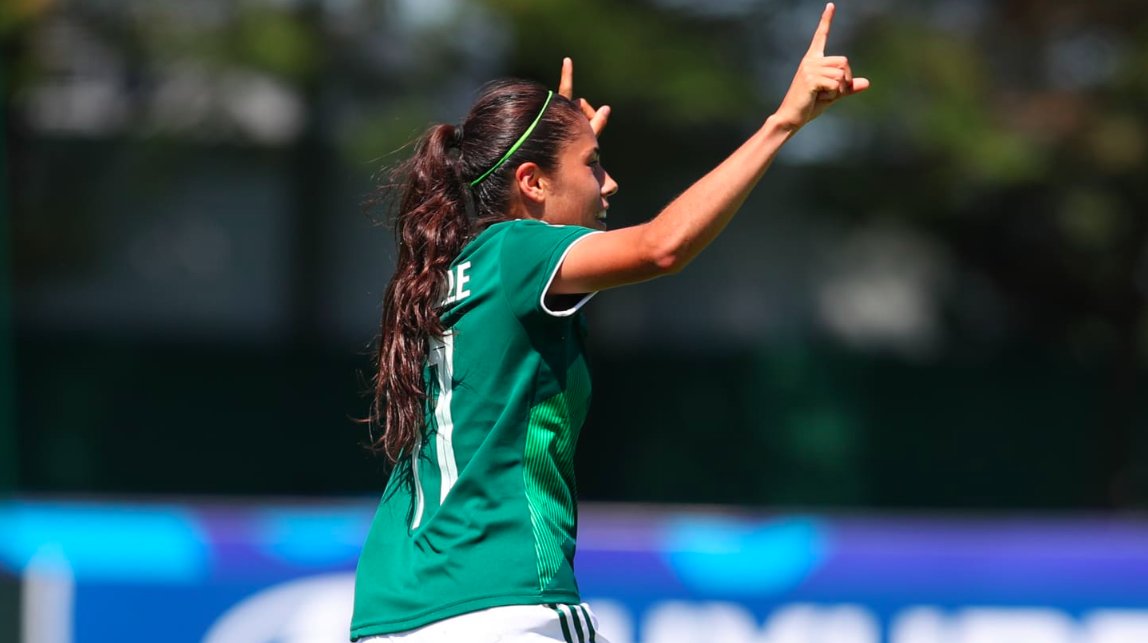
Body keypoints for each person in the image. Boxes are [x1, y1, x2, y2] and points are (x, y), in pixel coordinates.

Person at [351, 4, 869, 642]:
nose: (611, 182)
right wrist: (782, 123)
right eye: (594, 163)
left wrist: (563, 153)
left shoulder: (449, 270)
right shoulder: (518, 251)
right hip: (504, 603)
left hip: (392, 612)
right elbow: (661, 247)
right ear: (531, 182)